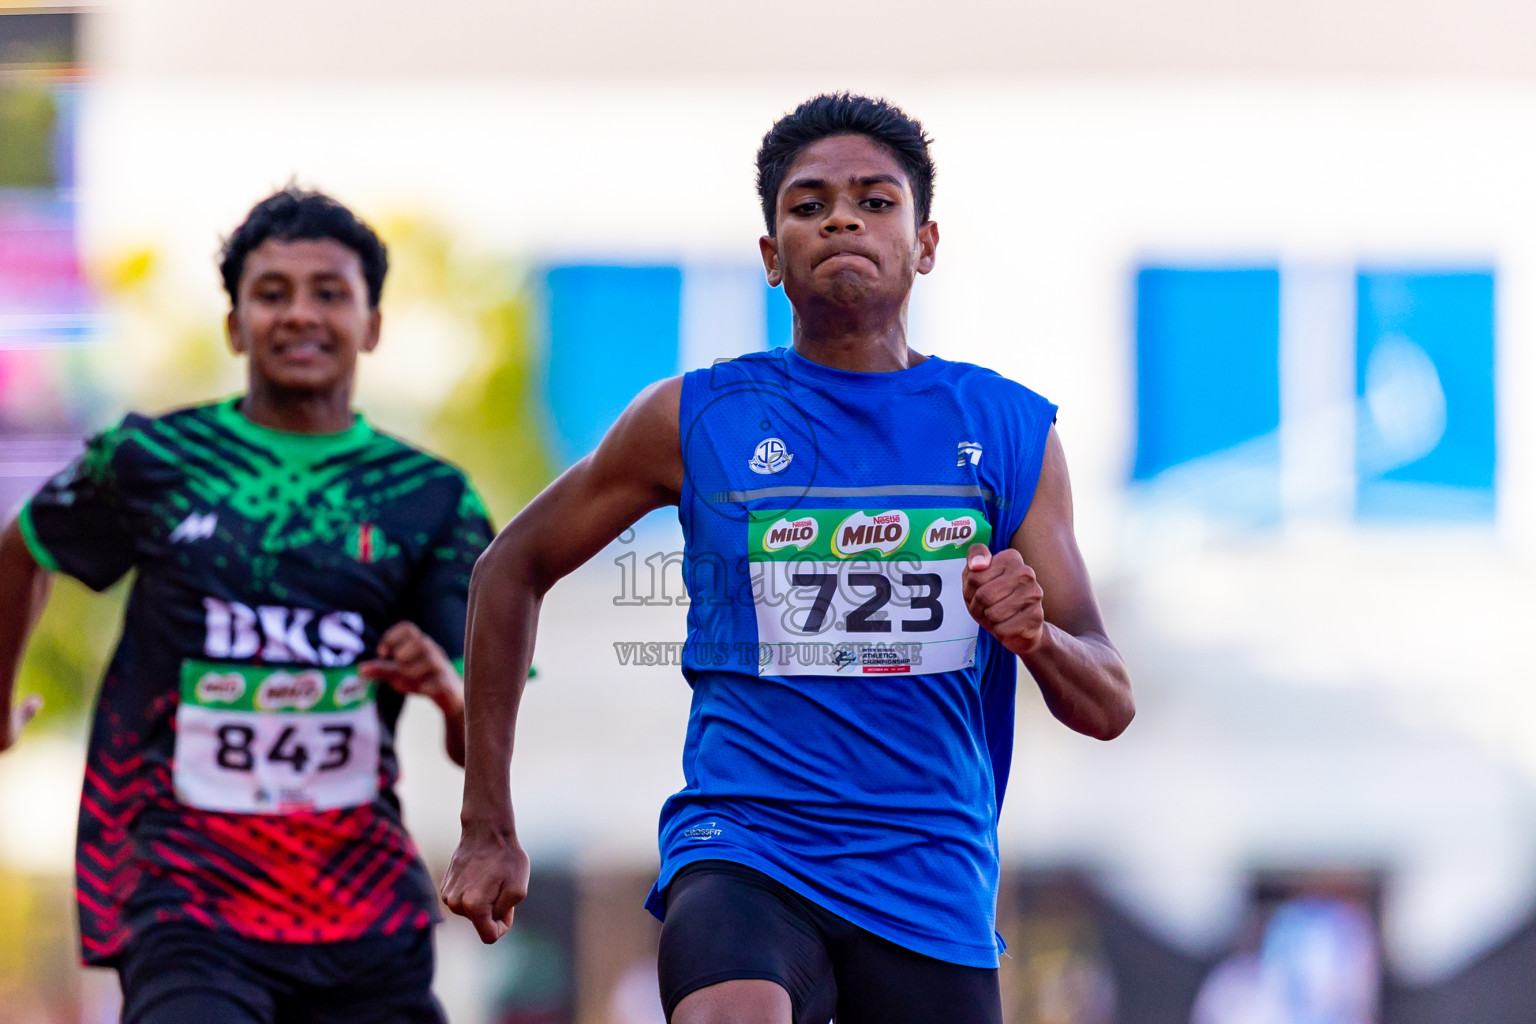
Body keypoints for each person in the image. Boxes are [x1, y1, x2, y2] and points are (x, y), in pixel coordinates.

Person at [442, 93, 1134, 1024]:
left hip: (928, 877)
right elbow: (506, 568)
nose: (841, 218)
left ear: (925, 243)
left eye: (875, 201)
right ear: (772, 257)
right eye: (808, 206)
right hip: (745, 846)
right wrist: (487, 823)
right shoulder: (696, 418)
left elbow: (1108, 702)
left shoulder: (1008, 430)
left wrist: (1037, 634)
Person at [0, 187, 493, 1024]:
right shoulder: (154, 459)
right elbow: (24, 549)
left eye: (329, 292)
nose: (300, 315)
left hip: (362, 910)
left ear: (371, 324)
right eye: (271, 294)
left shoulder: (428, 498)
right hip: (184, 894)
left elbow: (479, 734)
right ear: (235, 325)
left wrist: (446, 690)